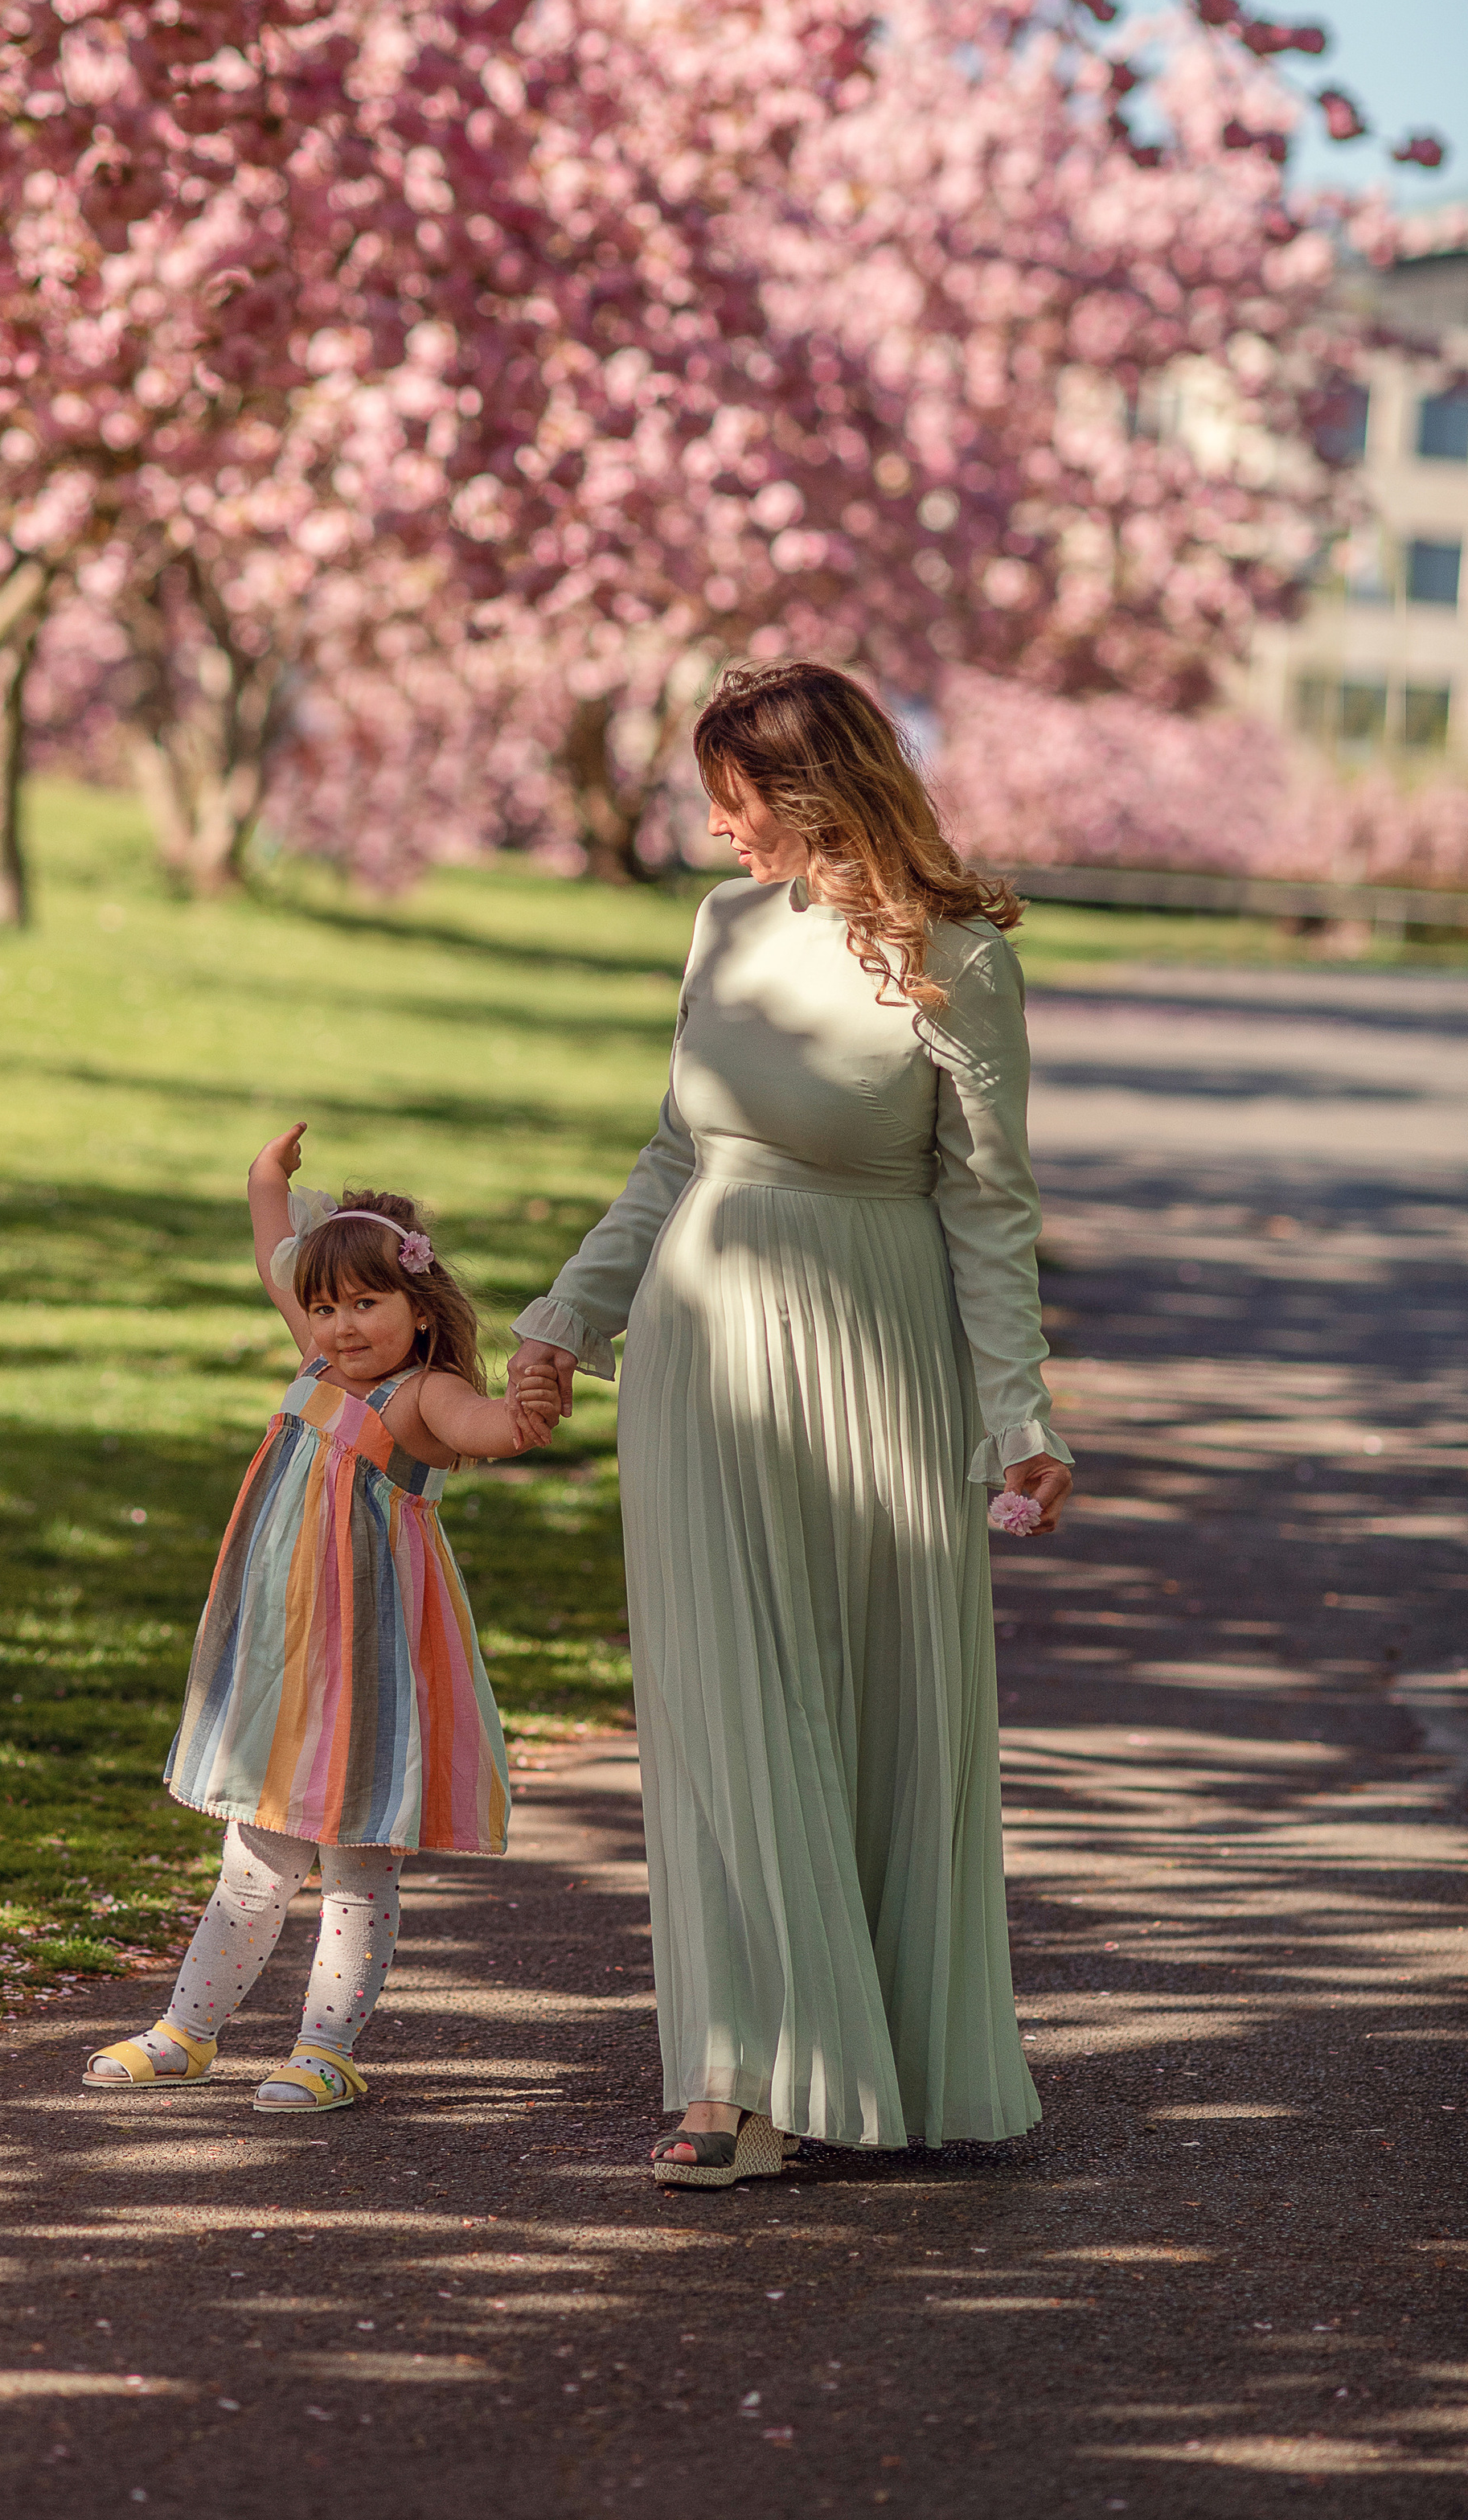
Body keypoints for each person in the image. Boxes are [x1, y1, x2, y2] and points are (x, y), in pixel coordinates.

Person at [508, 660, 1074, 2190]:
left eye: (735, 796)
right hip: (701, 1354)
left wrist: (1018, 1412)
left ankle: (876, 2056)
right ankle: (737, 2075)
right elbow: (673, 1149)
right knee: (725, 1709)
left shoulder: (958, 958)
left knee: (872, 1701)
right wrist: (567, 1314)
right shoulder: (726, 925)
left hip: (879, 1360)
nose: (716, 827)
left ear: (813, 792)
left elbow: (988, 1203)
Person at [85, 1123, 558, 2113]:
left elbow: (488, 1430)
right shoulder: (316, 1357)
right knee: (253, 1855)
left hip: (368, 1667)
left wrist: (524, 1409)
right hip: (282, 1660)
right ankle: (187, 2032)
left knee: (353, 1864)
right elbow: (277, 1251)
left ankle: (326, 2049)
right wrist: (266, 1176)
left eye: (366, 1305)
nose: (341, 1326)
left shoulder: (423, 1394)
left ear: (420, 1308)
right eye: (325, 1307)